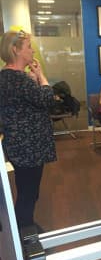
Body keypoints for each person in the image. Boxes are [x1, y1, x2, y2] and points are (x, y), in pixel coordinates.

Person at [0, 30, 56, 230]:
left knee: (25, 189)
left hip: (17, 145)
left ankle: (23, 225)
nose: (32, 51)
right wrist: (41, 77)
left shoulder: (6, 77)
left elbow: (22, 104)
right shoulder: (19, 79)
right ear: (15, 50)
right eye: (29, 47)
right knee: (29, 192)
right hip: (29, 148)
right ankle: (23, 231)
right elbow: (47, 98)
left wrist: (32, 81)